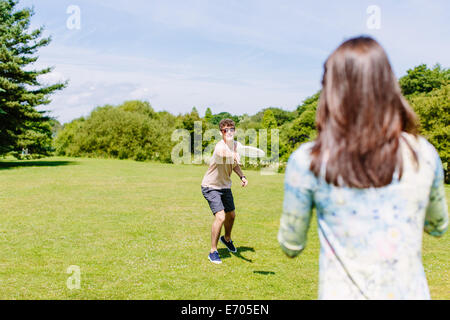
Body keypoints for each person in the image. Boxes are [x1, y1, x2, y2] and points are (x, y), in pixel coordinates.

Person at [278, 36, 448, 299]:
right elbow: (438, 226)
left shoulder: (308, 159)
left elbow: (291, 245)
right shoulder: (422, 153)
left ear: (331, 90)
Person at [201, 118, 248, 264]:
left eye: (231, 129)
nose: (228, 132)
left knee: (231, 216)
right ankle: (213, 251)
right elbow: (223, 155)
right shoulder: (220, 147)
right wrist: (235, 155)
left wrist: (242, 176)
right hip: (211, 186)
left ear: (235, 131)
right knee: (220, 217)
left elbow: (234, 165)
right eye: (225, 130)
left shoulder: (236, 146)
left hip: (225, 186)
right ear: (221, 132)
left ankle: (226, 239)